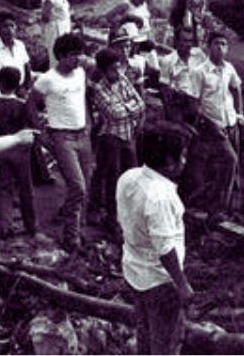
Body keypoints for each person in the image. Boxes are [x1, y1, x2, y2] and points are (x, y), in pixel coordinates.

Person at [116, 123, 192, 355]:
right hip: (160, 281)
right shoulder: (161, 196)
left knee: (145, 332)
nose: (185, 161)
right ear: (169, 161)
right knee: (165, 345)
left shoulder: (129, 177)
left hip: (134, 270)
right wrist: (182, 285)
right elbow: (165, 247)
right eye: (183, 156)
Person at [26, 33, 91, 252]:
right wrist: (40, 133)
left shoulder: (80, 73)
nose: (78, 59)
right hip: (61, 137)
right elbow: (30, 104)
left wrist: (88, 124)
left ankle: (78, 231)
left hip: (83, 134)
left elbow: (83, 100)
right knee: (77, 186)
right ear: (61, 56)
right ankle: (70, 239)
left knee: (85, 187)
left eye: (79, 54)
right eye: (73, 55)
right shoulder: (47, 79)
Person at [184, 31, 242, 221]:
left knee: (230, 165)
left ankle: (230, 206)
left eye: (224, 44)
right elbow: (192, 105)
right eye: (217, 43)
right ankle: (218, 209)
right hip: (211, 126)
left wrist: (239, 113)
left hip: (231, 123)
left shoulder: (229, 68)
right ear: (208, 47)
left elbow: (236, 88)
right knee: (229, 160)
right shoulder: (199, 72)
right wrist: (210, 125)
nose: (221, 48)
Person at [89, 47, 145, 232]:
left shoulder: (123, 79)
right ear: (104, 71)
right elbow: (114, 114)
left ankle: (128, 214)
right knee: (112, 177)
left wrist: (125, 107)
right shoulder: (99, 89)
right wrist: (130, 106)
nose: (118, 72)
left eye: (119, 67)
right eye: (113, 69)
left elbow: (141, 103)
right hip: (110, 137)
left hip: (128, 134)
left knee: (132, 176)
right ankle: (111, 217)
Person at [0, 67, 36, 236]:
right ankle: (31, 226)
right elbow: (35, 127)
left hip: (2, 149)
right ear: (18, 84)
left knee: (5, 188)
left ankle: (6, 226)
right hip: (22, 151)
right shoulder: (24, 103)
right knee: (26, 190)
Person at [159, 28, 203, 126]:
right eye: (185, 40)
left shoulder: (199, 55)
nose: (188, 44)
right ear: (177, 41)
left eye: (190, 41)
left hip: (199, 104)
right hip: (180, 106)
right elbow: (165, 91)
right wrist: (173, 120)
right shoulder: (168, 61)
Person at [0, 11, 31, 91]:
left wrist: (27, 88)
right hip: (5, 91)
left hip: (22, 88)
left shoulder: (20, 45)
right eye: (5, 26)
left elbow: (27, 67)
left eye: (12, 26)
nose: (9, 30)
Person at [41, 0, 73, 69]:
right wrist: (54, 23)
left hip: (64, 26)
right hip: (55, 28)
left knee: (66, 51)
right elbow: (45, 15)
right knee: (55, 54)